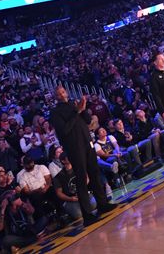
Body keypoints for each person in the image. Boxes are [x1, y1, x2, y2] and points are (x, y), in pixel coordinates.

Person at [49, 84, 117, 226]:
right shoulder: (55, 112)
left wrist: (83, 108)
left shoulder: (74, 103)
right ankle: (87, 214)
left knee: (95, 173)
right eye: (58, 93)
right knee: (81, 179)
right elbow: (64, 130)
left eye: (63, 92)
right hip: (74, 147)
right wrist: (76, 112)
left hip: (87, 142)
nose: (62, 95)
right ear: (56, 96)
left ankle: (102, 203)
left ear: (66, 92)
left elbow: (87, 120)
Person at [53, 152, 96, 221]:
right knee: (78, 214)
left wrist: (82, 190)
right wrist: (70, 198)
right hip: (70, 199)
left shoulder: (78, 169)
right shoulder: (58, 177)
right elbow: (59, 193)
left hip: (83, 194)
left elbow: (87, 178)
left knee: (93, 204)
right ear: (63, 161)